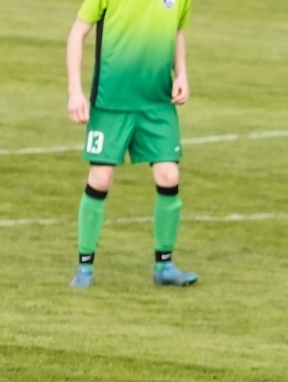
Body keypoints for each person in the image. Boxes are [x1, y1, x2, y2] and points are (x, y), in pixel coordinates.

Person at [65, 0, 199, 289]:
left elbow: (176, 31)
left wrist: (182, 74)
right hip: (111, 104)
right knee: (101, 179)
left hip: (157, 104)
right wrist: (75, 92)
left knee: (169, 175)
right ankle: (84, 268)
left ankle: (164, 265)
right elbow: (77, 33)